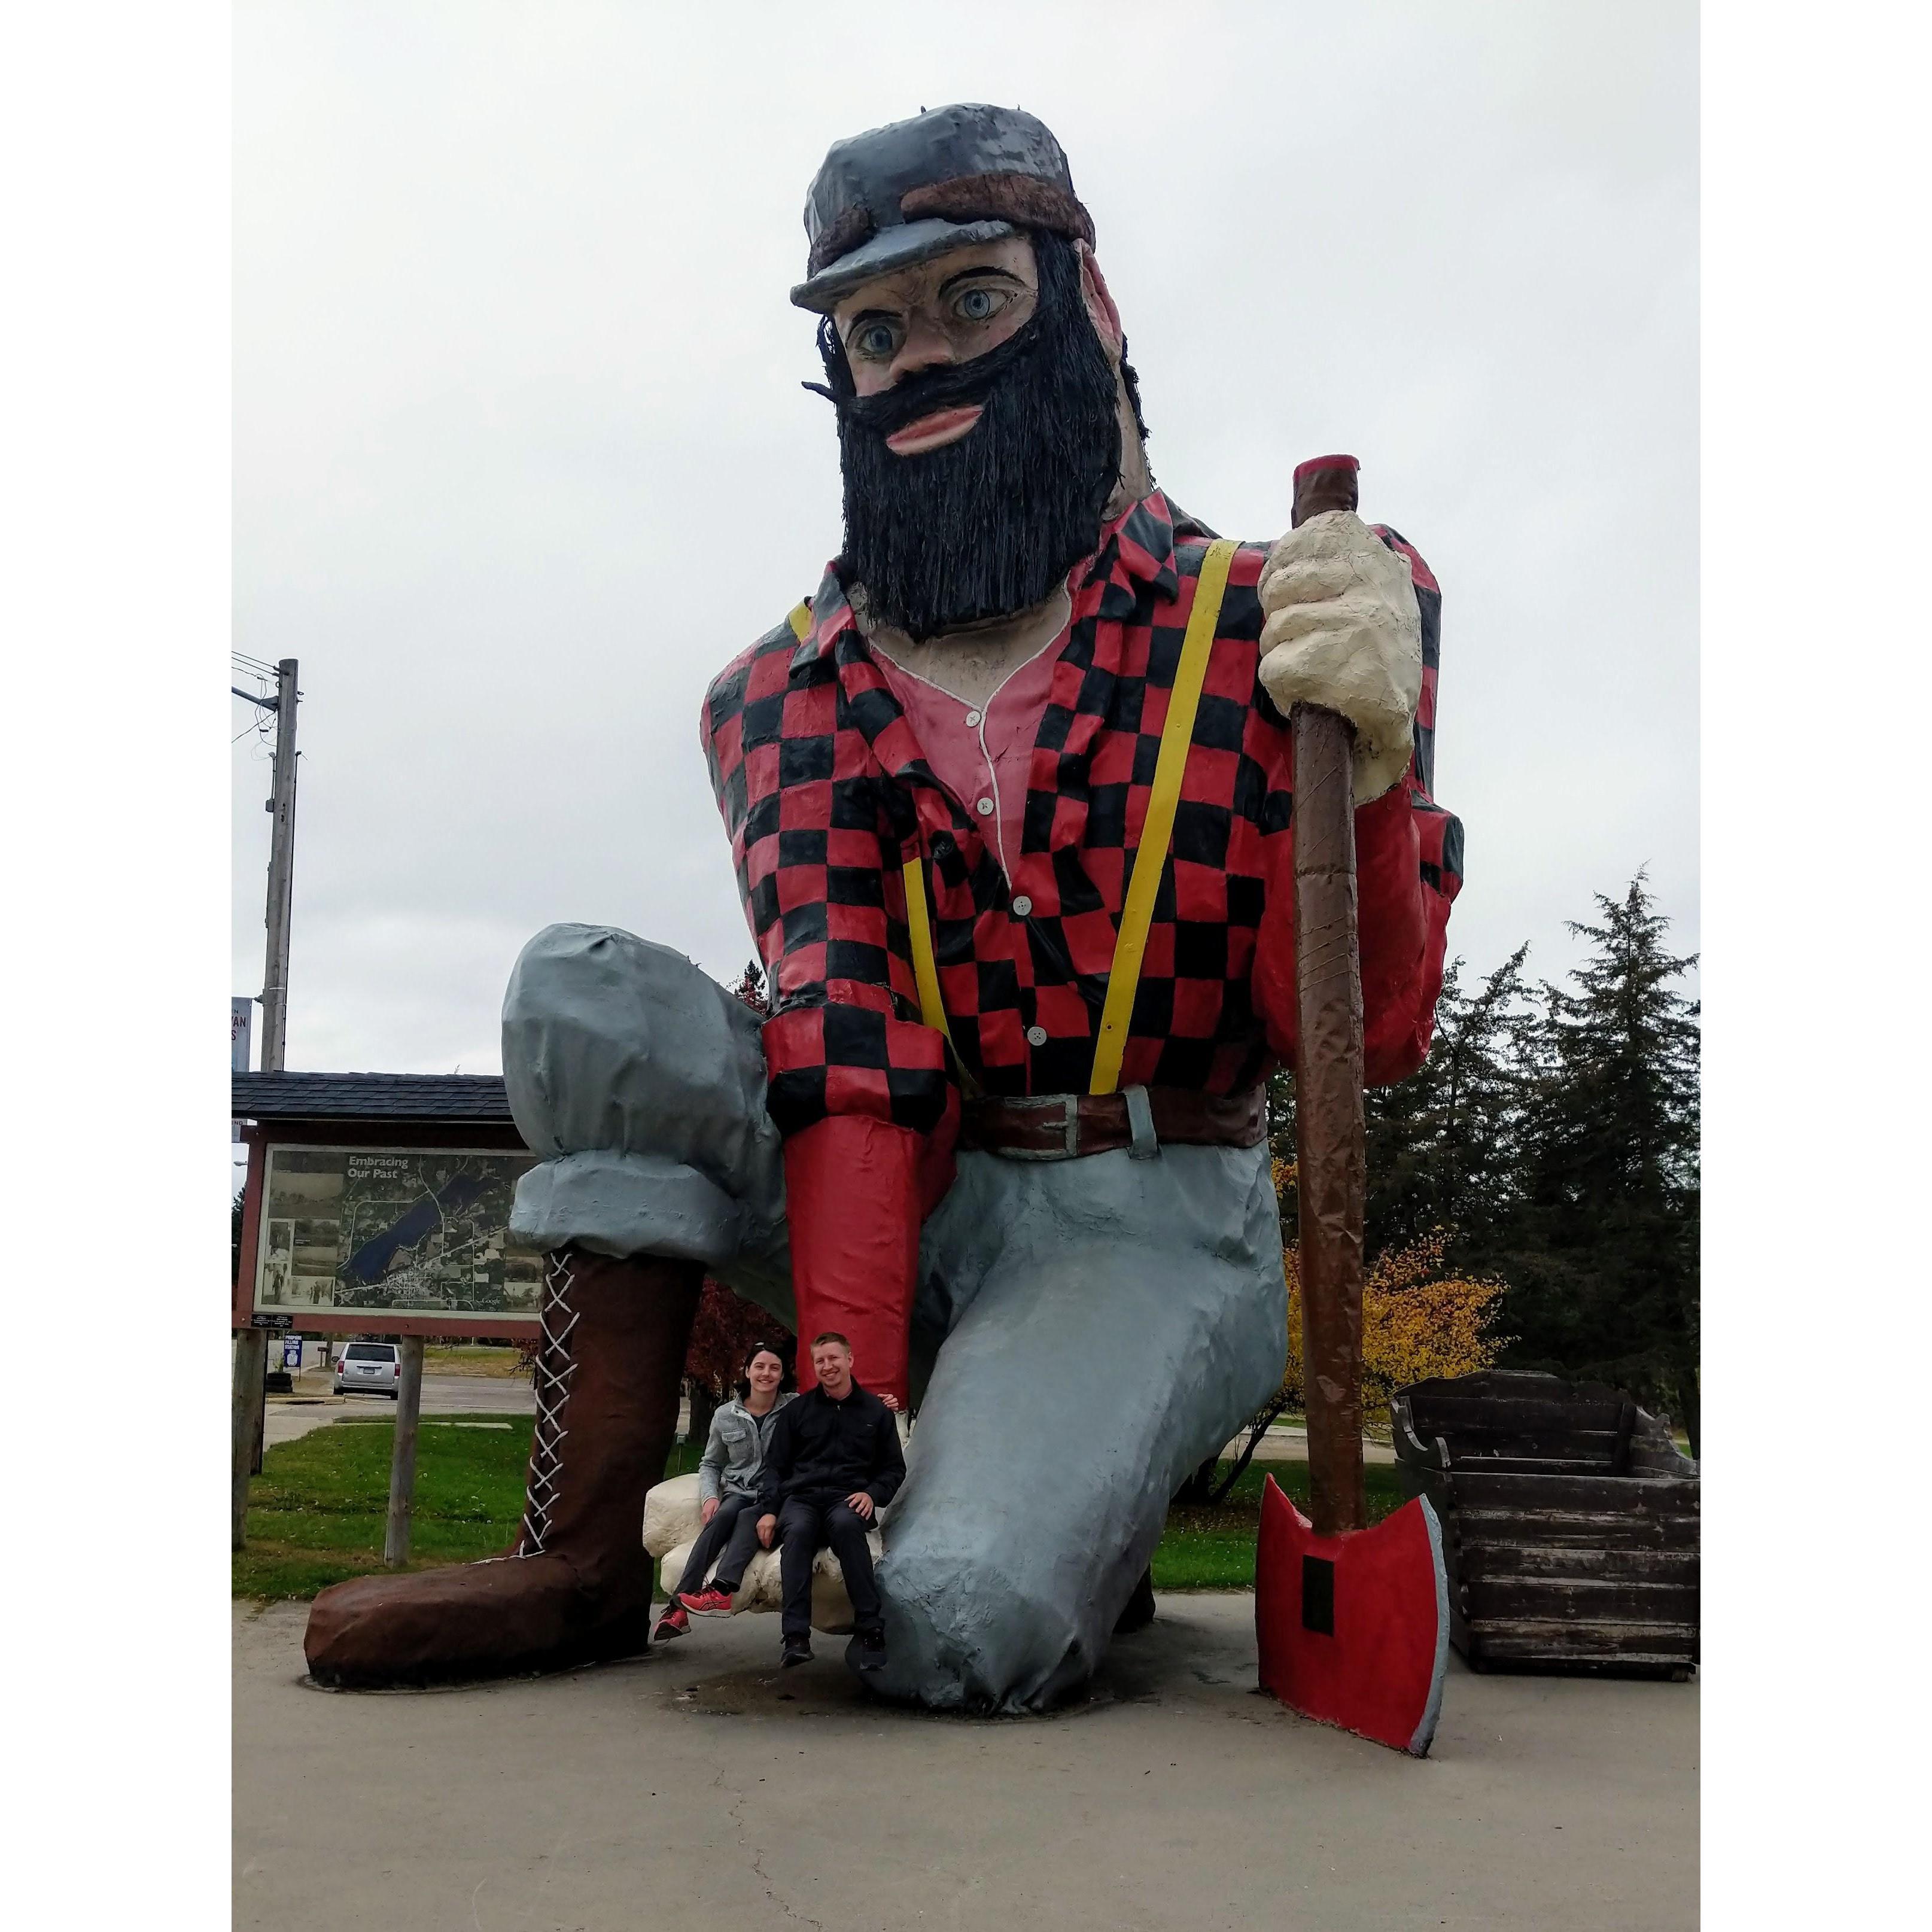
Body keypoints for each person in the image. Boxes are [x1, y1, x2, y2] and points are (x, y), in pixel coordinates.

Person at [303, 102, 1458, 1712]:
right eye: (871, 329)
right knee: (586, 992)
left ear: (1085, 312)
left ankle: (1045, 1501)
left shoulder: (1285, 610)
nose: (917, 360)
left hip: (1146, 1209)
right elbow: (850, 1042)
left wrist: (1376, 767)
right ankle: (577, 1558)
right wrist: (856, 1411)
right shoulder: (778, 693)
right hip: (913, 1178)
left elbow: (1361, 1034)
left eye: (970, 301)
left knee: (946, 1625)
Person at [752, 1333, 905, 1669]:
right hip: (802, 1499)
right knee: (799, 1532)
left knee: (849, 1526)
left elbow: (893, 1469)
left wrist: (872, 1494)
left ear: (850, 1360)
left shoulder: (876, 1412)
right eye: (820, 1361)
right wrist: (768, 1512)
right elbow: (774, 1468)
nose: (827, 1366)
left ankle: (871, 1632)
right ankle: (795, 1637)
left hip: (847, 1498)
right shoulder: (797, 1412)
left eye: (834, 1358)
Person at [653, 1340, 795, 1639]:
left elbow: (836, 1402)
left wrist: (883, 1402)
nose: (766, 1374)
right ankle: (678, 1609)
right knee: (723, 1517)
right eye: (759, 1367)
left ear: (783, 1375)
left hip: (776, 1496)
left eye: (774, 1368)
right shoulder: (726, 1415)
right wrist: (710, 1497)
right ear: (747, 1371)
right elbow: (711, 1463)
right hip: (738, 1492)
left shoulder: (795, 1409)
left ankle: (717, 1591)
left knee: (746, 1519)